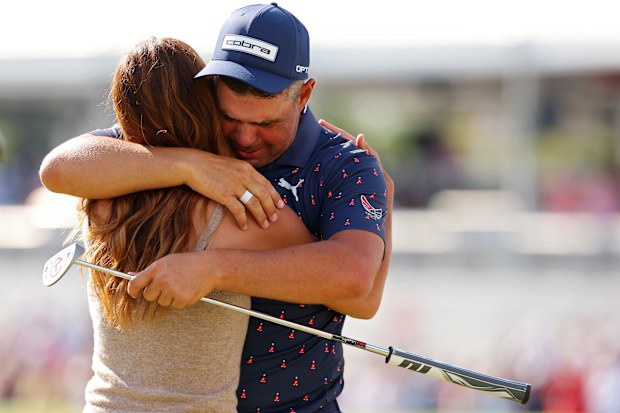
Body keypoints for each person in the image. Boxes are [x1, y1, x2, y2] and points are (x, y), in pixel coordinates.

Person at [39, 4, 393, 412]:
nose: (244, 138)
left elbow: (357, 286)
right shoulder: (183, 140)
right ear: (210, 90)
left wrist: (215, 268)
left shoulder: (345, 164)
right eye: (230, 117)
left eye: (266, 124)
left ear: (304, 95)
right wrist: (190, 164)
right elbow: (58, 168)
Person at [72, 36, 316, 412]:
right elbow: (325, 267)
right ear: (205, 102)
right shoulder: (234, 210)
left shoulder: (96, 198)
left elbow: (62, 165)